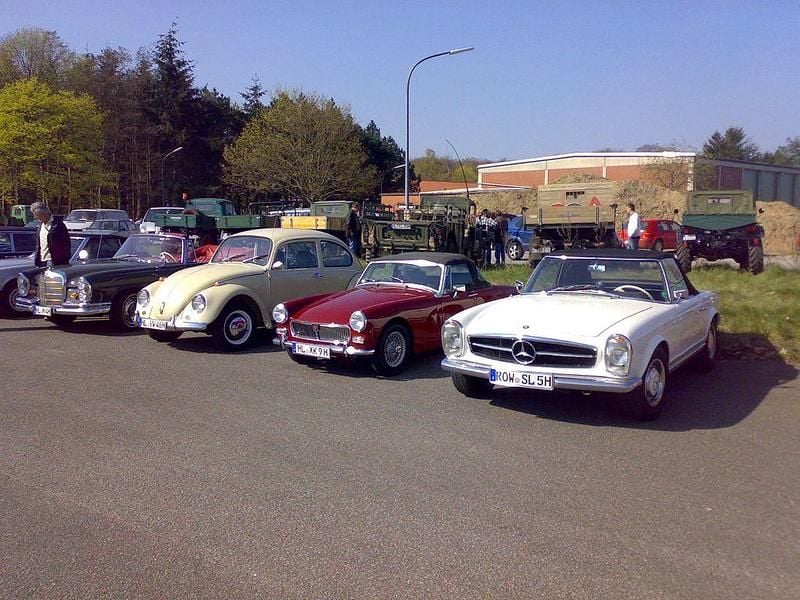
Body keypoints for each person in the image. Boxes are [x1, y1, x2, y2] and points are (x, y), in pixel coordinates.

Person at [31, 201, 70, 267]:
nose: (37, 218)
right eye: (36, 216)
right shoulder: (40, 226)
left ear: (45, 213)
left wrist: (63, 260)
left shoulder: (58, 225)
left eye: (39, 216)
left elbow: (66, 243)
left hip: (54, 261)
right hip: (41, 261)